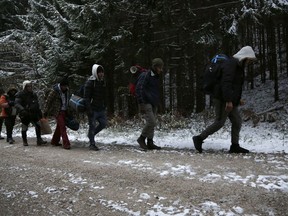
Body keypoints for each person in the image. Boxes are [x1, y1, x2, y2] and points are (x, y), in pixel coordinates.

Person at [193, 46, 257, 154]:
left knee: (237, 121)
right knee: (219, 122)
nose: (249, 62)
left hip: (229, 98)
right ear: (244, 57)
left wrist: (237, 99)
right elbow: (226, 83)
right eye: (249, 60)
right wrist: (228, 100)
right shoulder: (231, 64)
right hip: (222, 98)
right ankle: (199, 138)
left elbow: (235, 85)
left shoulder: (237, 66)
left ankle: (235, 146)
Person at [135, 58, 164, 150]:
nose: (161, 69)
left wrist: (157, 102)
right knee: (152, 122)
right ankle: (141, 138)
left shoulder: (155, 76)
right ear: (155, 67)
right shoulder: (145, 75)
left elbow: (153, 91)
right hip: (145, 102)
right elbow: (139, 89)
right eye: (160, 67)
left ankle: (150, 142)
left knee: (151, 123)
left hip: (153, 102)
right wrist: (141, 102)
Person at [15, 80, 47, 146]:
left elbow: (36, 104)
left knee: (38, 126)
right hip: (25, 113)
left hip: (34, 113)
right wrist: (22, 109)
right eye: (28, 86)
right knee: (24, 127)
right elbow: (17, 103)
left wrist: (39, 112)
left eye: (30, 86)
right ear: (25, 87)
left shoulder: (33, 94)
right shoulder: (20, 94)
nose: (30, 87)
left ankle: (39, 140)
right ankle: (24, 140)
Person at [84, 64, 107, 151]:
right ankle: (92, 143)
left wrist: (105, 105)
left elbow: (104, 95)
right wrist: (89, 109)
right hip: (92, 109)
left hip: (101, 108)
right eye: (99, 72)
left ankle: (91, 135)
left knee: (103, 123)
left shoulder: (102, 82)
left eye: (102, 72)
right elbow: (86, 97)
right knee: (92, 126)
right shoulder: (90, 83)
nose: (101, 74)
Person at [43, 79, 71, 150]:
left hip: (65, 111)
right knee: (62, 127)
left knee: (59, 127)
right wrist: (45, 111)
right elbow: (48, 101)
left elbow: (67, 101)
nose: (65, 87)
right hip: (57, 111)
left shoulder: (67, 91)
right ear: (61, 86)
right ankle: (66, 143)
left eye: (66, 86)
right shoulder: (54, 91)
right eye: (64, 86)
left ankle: (54, 141)